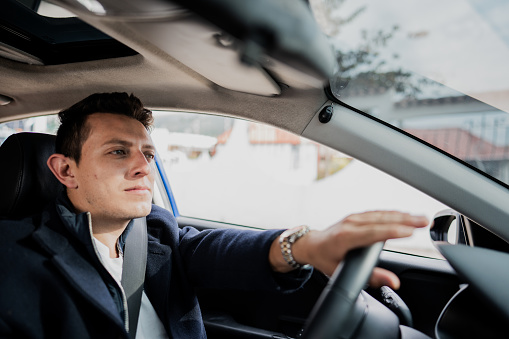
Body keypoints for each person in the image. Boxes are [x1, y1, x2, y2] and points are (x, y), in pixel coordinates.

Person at [0, 92, 428, 338]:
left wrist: (303, 245)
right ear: (65, 170)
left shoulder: (156, 234)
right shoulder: (12, 259)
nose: (143, 167)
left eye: (148, 153)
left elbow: (217, 251)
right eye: (118, 151)